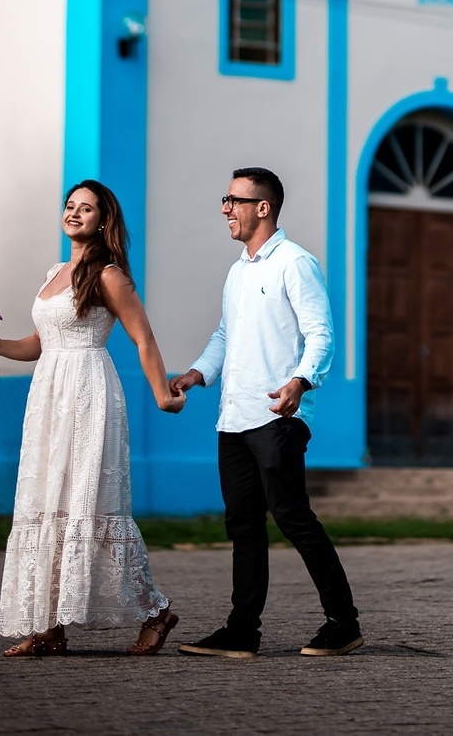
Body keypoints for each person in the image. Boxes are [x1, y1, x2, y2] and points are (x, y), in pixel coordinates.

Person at [0, 179, 185, 657]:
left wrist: (162, 392)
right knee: (47, 501)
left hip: (88, 392)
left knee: (89, 504)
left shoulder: (109, 275)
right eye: (70, 205)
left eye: (87, 208)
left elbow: (144, 337)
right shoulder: (55, 271)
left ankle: (155, 612)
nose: (74, 213)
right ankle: (49, 627)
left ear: (103, 219)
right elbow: (38, 343)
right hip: (49, 394)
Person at [172, 167, 362, 659]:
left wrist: (301, 382)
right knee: (243, 527)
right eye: (225, 199)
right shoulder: (238, 271)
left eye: (233, 200)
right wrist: (197, 374)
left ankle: (343, 624)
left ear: (263, 207)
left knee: (293, 517)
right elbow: (224, 336)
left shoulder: (295, 264)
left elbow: (321, 333)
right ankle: (242, 631)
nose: (224, 209)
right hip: (233, 417)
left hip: (278, 414)